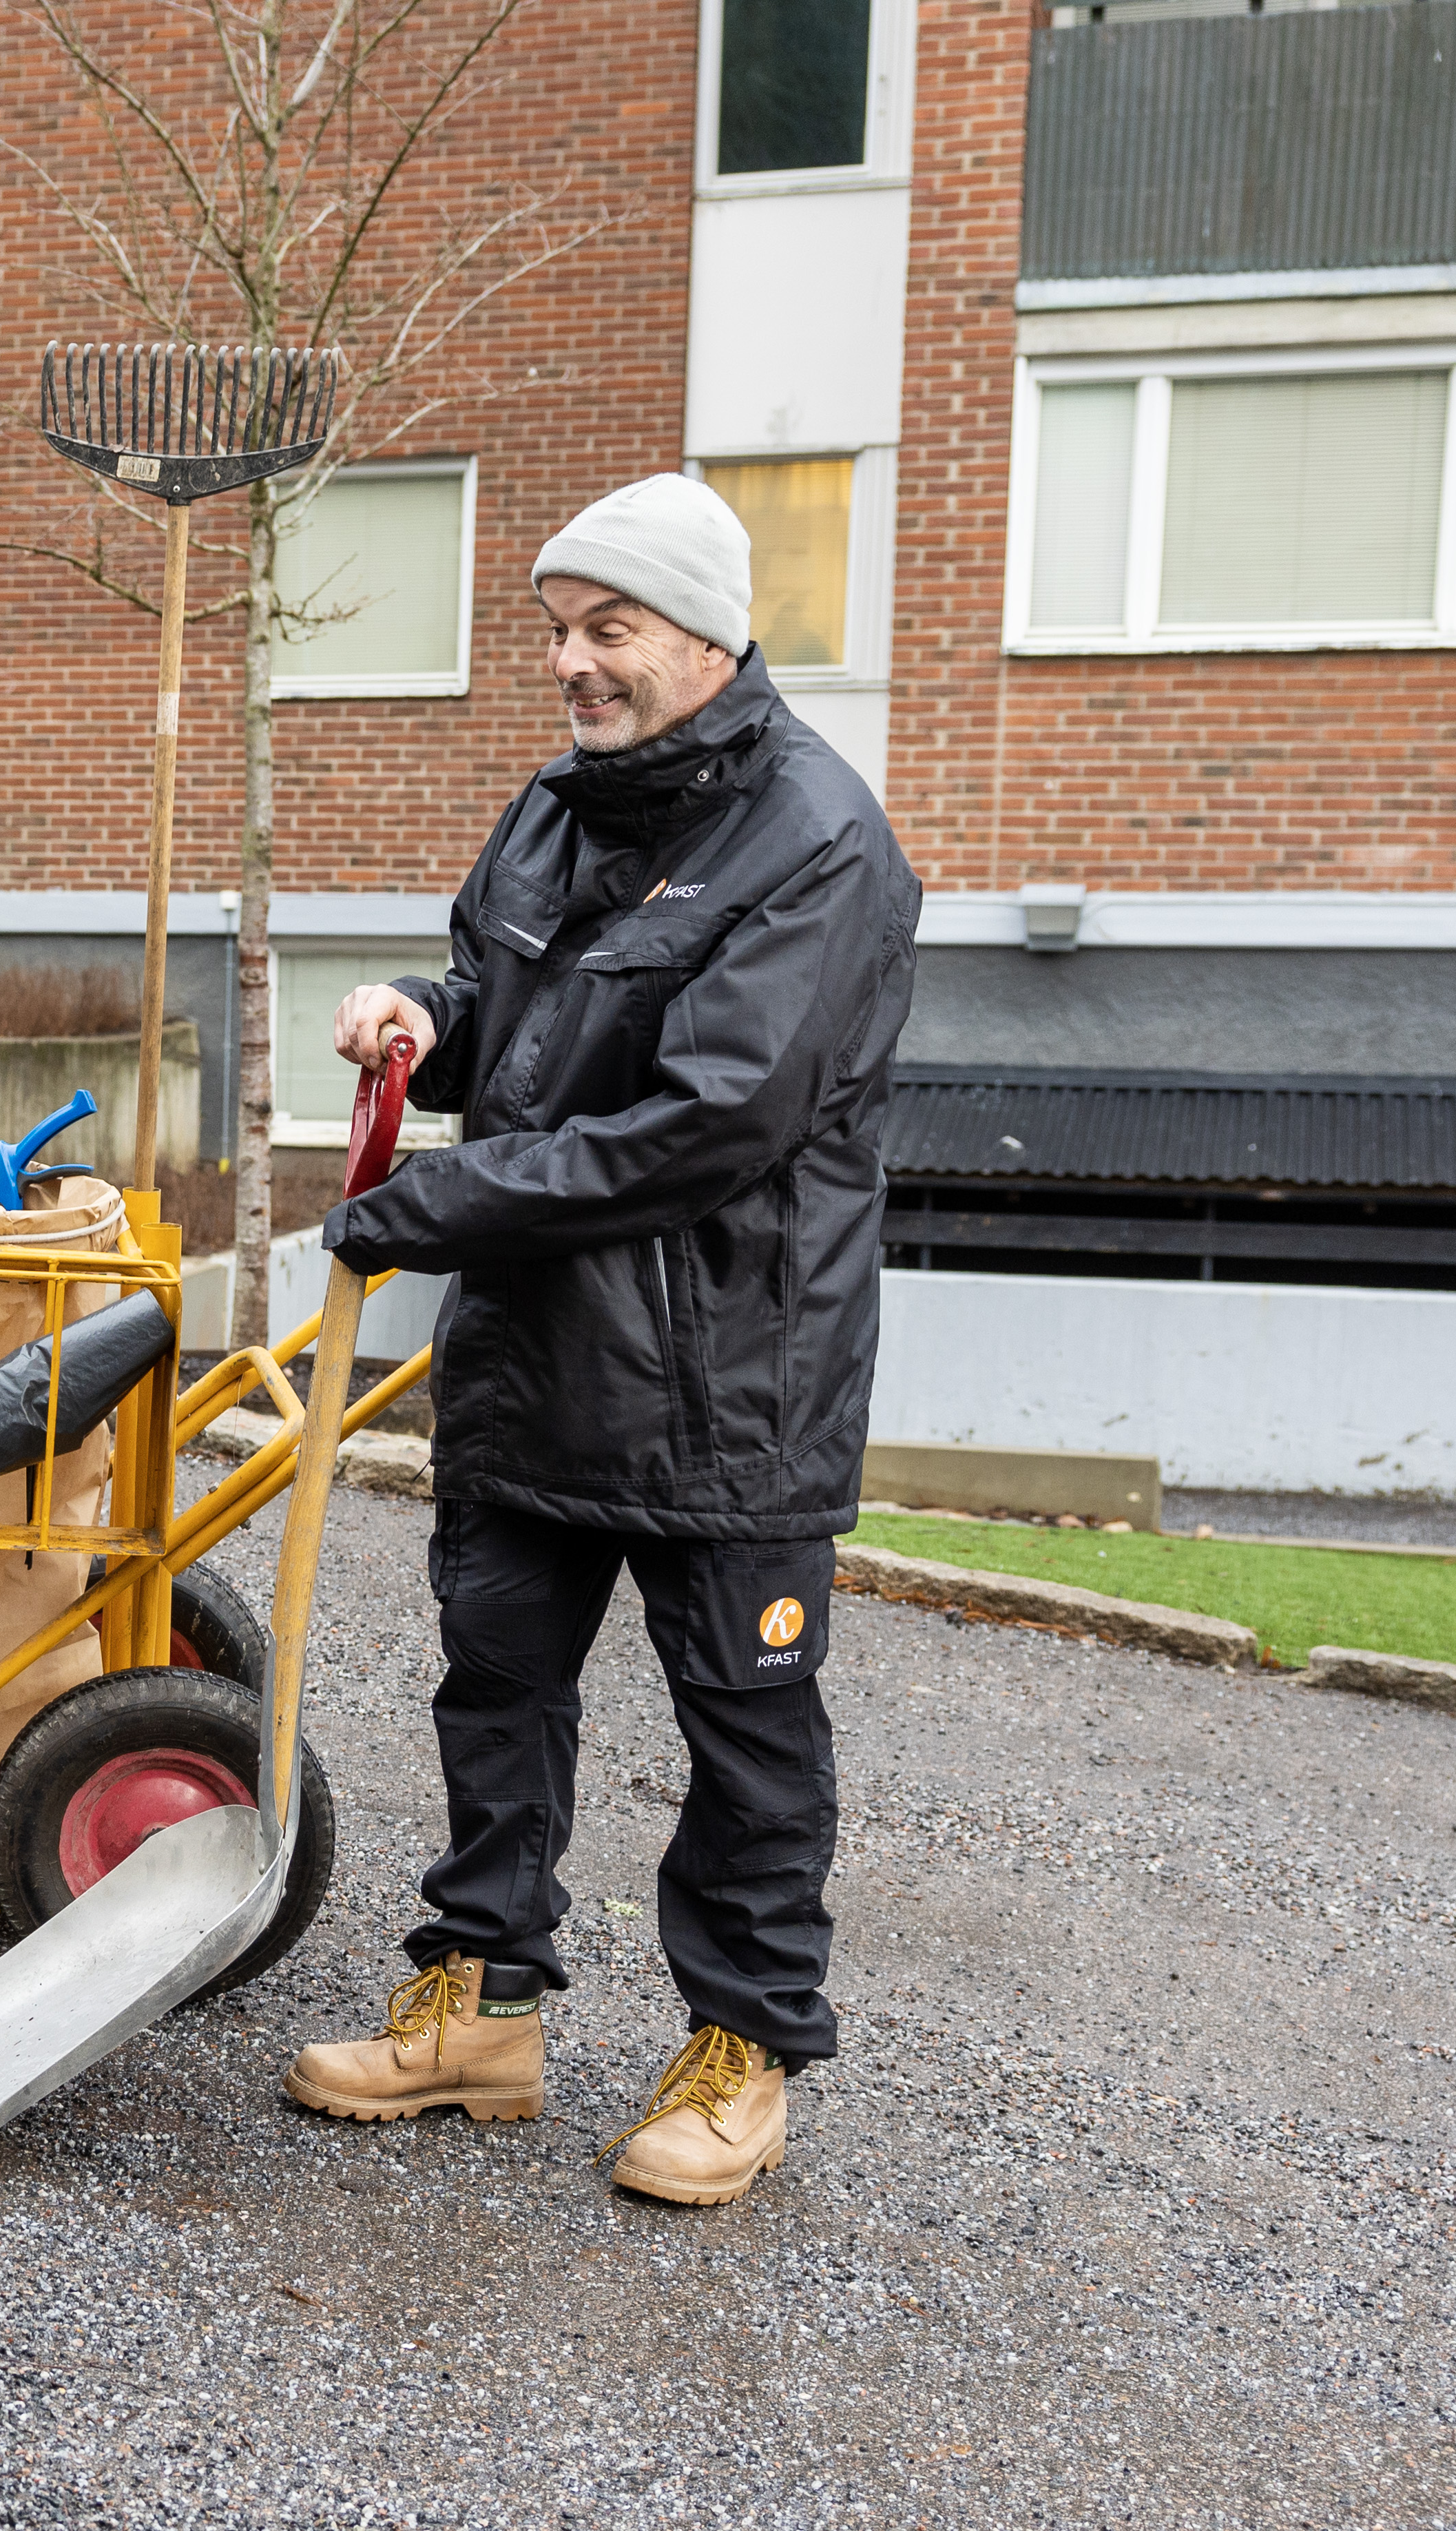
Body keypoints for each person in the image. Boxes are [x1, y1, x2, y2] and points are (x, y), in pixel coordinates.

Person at [286, 473, 922, 2207]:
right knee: (494, 1685)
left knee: (746, 1727)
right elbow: (516, 1013)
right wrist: (424, 1016)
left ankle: (744, 2046)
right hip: (536, 1359)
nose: (571, 661)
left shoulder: (818, 844)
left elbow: (700, 1127)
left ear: (707, 633)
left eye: (607, 628)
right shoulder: (561, 808)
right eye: (556, 630)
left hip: (731, 1383)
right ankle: (478, 2004)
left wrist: (420, 1209)